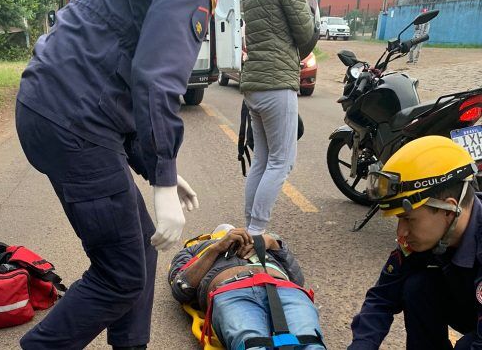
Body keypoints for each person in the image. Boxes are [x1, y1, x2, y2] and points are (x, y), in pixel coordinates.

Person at [14, 0, 234, 349]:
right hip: (75, 122)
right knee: (120, 273)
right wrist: (164, 177)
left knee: (140, 248)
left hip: (56, 106)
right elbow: (155, 76)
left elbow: (117, 71)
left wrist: (156, 167)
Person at [349, 136, 481, 349]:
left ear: (449, 209)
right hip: (471, 309)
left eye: (408, 219)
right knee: (417, 287)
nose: (401, 232)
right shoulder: (430, 237)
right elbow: (382, 298)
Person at [240, 0, 315, 235]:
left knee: (262, 159)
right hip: (277, 82)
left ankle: (250, 227)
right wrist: (305, 2)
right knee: (282, 161)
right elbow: (306, 31)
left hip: (254, 82)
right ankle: (257, 232)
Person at [169, 224, 325, 350]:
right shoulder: (197, 249)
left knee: (310, 342)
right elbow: (181, 289)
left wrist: (271, 242)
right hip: (232, 293)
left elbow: (297, 279)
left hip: (282, 288)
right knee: (253, 344)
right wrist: (216, 248)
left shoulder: (260, 242)